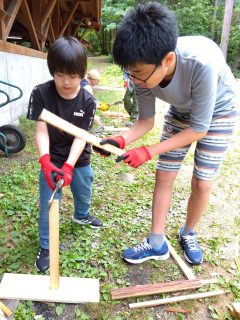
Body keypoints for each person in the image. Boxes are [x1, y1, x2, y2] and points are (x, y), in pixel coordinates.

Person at [99, 2, 238, 265]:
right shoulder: (140, 71)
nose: (134, 80)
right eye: (130, 73)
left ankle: (189, 232)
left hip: (219, 111)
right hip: (182, 110)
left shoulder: (201, 63)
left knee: (202, 181)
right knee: (164, 175)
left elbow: (199, 129)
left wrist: (148, 151)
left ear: (168, 60)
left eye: (138, 74)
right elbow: (145, 121)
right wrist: (121, 140)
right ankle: (156, 242)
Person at [27, 36, 102, 272]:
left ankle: (82, 214)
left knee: (84, 186)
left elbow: (82, 135)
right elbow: (41, 130)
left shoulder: (88, 100)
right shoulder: (41, 93)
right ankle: (47, 246)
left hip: (78, 157)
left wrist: (69, 166)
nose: (66, 82)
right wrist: (46, 162)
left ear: (82, 73)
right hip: (51, 156)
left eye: (72, 76)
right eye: (60, 75)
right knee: (50, 202)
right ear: (52, 71)